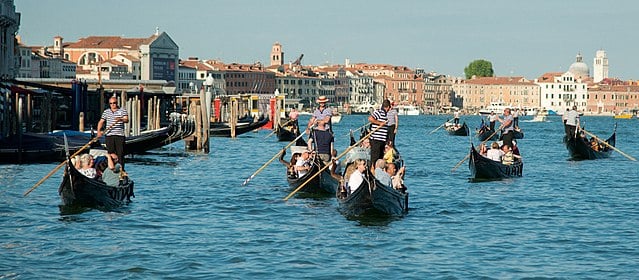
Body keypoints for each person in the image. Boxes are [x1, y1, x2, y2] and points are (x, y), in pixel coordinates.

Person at [97, 96, 129, 170]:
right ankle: (111, 169)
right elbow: (101, 122)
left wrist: (120, 119)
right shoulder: (106, 112)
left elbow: (126, 120)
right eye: (111, 103)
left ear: (117, 103)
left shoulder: (122, 110)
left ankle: (121, 170)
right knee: (110, 154)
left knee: (120, 154)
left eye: (114, 103)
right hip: (109, 135)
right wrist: (99, 131)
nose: (113, 104)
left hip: (119, 135)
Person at [368, 99, 390, 169]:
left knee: (379, 159)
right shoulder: (379, 112)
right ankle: (372, 172)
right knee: (374, 159)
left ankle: (377, 172)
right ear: (388, 107)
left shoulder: (385, 115)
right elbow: (370, 119)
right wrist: (380, 123)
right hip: (376, 140)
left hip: (381, 141)